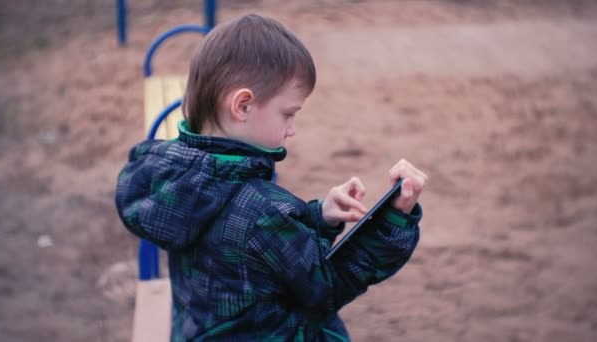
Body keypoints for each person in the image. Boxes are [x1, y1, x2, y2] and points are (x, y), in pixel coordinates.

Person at [115, 14, 428, 341]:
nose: (292, 129)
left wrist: (316, 216)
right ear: (243, 105)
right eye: (288, 113)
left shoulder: (182, 178)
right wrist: (394, 220)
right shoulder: (261, 211)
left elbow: (249, 258)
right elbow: (326, 288)